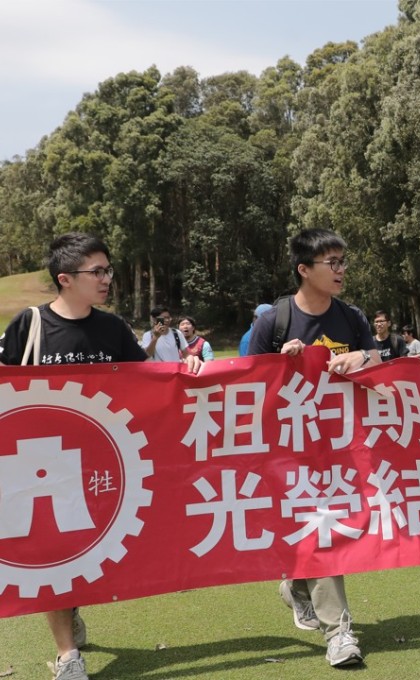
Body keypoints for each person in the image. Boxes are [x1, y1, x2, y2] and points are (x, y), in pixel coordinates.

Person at [0, 232, 200, 680]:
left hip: (103, 465)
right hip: (42, 467)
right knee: (51, 552)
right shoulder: (29, 325)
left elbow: (150, 382)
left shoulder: (112, 329)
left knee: (89, 551)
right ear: (65, 278)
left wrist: (186, 370)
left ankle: (70, 610)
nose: (107, 278)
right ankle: (68, 654)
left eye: (108, 270)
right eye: (98, 271)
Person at [248, 228, 380, 668]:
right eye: (332, 263)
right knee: (322, 532)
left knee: (329, 531)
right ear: (304, 270)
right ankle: (339, 632)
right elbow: (246, 385)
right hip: (288, 452)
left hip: (342, 450)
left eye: (344, 261)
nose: (342, 270)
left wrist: (362, 358)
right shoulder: (274, 320)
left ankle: (298, 587)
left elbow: (380, 362)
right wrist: (277, 364)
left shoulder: (352, 318)